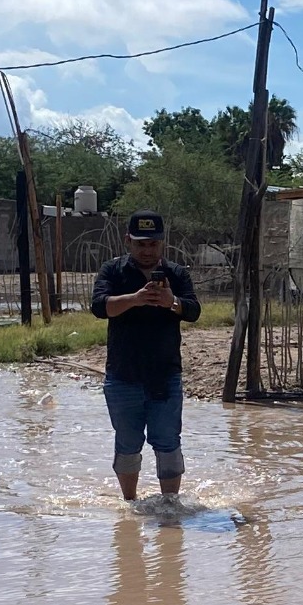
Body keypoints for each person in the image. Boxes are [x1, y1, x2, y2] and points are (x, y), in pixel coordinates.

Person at [91, 212, 201, 501]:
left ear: (162, 243)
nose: (147, 250)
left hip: (165, 376)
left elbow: (194, 311)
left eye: (153, 244)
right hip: (123, 375)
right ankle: (129, 505)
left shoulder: (176, 274)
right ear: (128, 241)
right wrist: (136, 299)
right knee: (127, 444)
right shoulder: (113, 271)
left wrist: (172, 302)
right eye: (140, 244)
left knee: (168, 443)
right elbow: (100, 307)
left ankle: (170, 505)